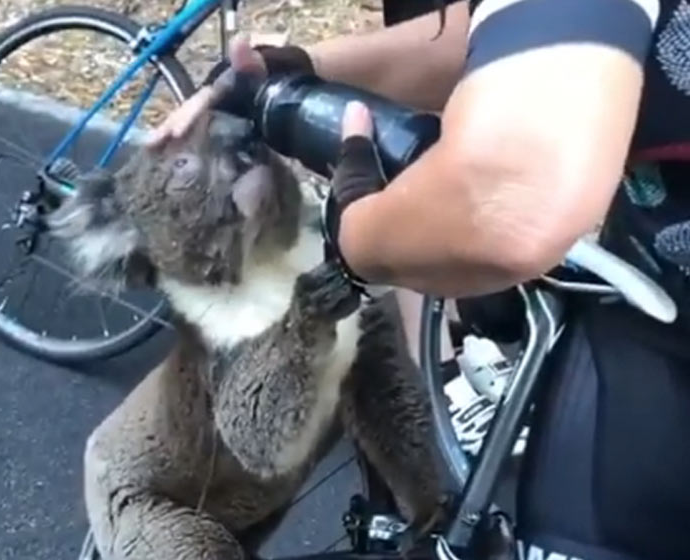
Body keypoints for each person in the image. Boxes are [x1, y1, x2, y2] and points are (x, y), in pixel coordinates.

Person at [149, 1, 690, 559]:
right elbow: (495, 40)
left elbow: (504, 202)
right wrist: (299, 66)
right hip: (654, 321)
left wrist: (358, 227)